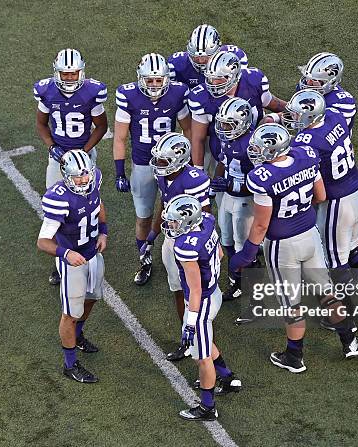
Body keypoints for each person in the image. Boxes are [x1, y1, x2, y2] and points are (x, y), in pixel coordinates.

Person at [230, 124, 358, 372]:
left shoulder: (263, 179)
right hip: (310, 235)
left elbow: (260, 225)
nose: (256, 151)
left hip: (283, 245)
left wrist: (246, 254)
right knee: (326, 292)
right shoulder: (306, 156)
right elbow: (321, 195)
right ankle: (350, 341)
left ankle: (294, 357)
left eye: (260, 148)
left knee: (291, 303)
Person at [282, 89, 358, 314]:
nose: (293, 119)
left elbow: (301, 165)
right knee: (353, 249)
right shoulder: (334, 117)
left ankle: (346, 315)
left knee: (335, 262)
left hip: (339, 204)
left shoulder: (306, 141)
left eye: (298, 115)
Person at [112, 53, 191, 286]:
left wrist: (189, 162)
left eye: (158, 80)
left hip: (172, 165)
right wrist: (119, 171)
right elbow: (120, 137)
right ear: (140, 79)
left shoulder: (177, 93)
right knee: (143, 216)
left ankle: (181, 254)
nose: (155, 85)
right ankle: (144, 258)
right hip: (144, 163)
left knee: (177, 212)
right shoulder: (128, 95)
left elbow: (187, 130)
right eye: (150, 80)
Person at [161, 194, 240, 421]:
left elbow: (195, 290)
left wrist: (190, 323)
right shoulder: (206, 222)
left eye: (175, 222)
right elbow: (221, 254)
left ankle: (208, 407)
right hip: (213, 292)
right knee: (202, 346)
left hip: (201, 302)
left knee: (201, 357)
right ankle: (227, 377)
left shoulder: (186, 247)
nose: (170, 226)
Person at [34, 48, 108, 285]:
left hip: (83, 155)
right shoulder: (47, 92)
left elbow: (101, 126)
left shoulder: (91, 93)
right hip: (58, 157)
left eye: (73, 74)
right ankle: (60, 259)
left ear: (81, 73)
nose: (69, 78)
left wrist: (83, 152)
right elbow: (41, 125)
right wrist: (52, 147)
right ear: (57, 73)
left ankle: (91, 239)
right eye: (65, 74)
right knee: (56, 208)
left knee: (88, 199)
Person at [36, 150, 107, 383]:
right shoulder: (59, 197)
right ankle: (70, 364)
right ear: (66, 176)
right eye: (78, 177)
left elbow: (99, 204)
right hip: (72, 261)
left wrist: (103, 232)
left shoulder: (93, 179)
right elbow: (43, 241)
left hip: (93, 253)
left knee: (93, 297)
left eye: (85, 175)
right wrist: (66, 253)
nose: (84, 180)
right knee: (70, 313)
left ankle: (77, 335)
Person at [144, 133, 211, 361]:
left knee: (196, 289)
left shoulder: (194, 179)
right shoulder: (164, 176)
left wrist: (199, 247)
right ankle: (186, 334)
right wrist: (153, 233)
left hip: (191, 242)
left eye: (163, 160)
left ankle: (196, 331)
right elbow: (164, 203)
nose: (158, 164)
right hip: (171, 237)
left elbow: (206, 216)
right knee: (177, 287)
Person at [188, 51, 287, 196]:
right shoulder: (202, 97)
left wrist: (296, 108)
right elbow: (198, 138)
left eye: (219, 79)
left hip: (260, 154)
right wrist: (198, 171)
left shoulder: (253, 82)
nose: (213, 84)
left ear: (234, 76)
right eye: (211, 79)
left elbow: (271, 102)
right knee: (226, 200)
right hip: (226, 156)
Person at [210, 97, 257, 302]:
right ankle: (237, 281)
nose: (223, 127)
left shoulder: (253, 145)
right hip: (229, 196)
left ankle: (255, 290)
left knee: (243, 246)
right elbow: (222, 162)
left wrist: (231, 185)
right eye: (222, 123)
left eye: (229, 124)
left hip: (245, 201)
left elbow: (260, 181)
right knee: (226, 239)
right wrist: (216, 183)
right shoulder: (229, 139)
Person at [167, 24, 248, 90]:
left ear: (218, 51)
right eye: (196, 57)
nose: (201, 61)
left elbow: (239, 88)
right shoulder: (176, 63)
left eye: (206, 57)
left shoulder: (234, 58)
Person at [296, 52, 357, 129]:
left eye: (314, 80)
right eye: (307, 78)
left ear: (331, 82)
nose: (308, 83)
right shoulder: (307, 87)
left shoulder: (342, 102)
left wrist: (293, 125)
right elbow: (297, 113)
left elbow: (323, 132)